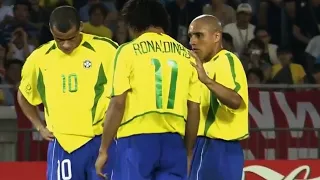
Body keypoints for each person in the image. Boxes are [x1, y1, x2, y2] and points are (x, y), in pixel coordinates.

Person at [95, 0, 201, 179]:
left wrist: (104, 149)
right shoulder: (186, 55)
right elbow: (194, 108)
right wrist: (188, 151)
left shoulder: (127, 51)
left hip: (136, 140)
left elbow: (118, 103)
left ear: (133, 24)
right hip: (174, 142)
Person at [17, 6, 117, 180]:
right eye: (59, 39)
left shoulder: (107, 50)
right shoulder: (39, 58)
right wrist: (39, 126)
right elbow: (23, 95)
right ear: (50, 30)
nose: (66, 44)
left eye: (71, 38)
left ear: (81, 27)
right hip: (63, 144)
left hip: (101, 142)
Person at [188, 15, 249, 180]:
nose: (193, 41)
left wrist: (207, 80)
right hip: (216, 148)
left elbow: (236, 100)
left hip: (215, 146)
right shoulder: (203, 65)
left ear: (216, 36)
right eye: (191, 36)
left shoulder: (226, 60)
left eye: (199, 35)